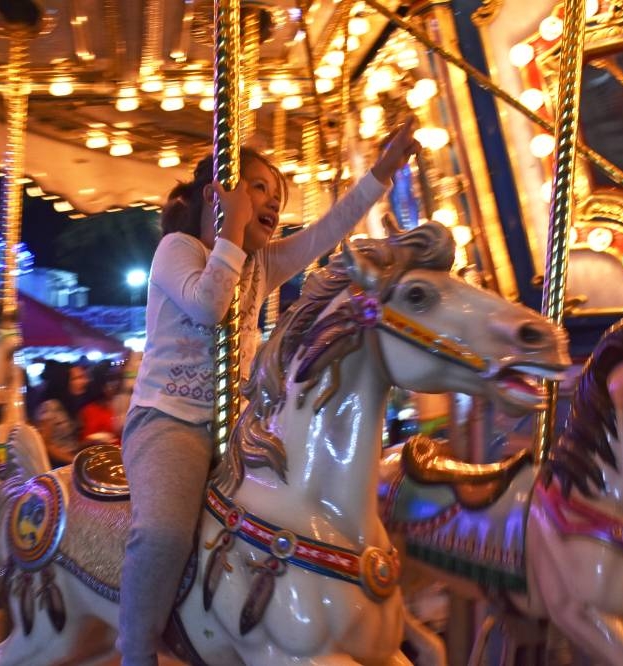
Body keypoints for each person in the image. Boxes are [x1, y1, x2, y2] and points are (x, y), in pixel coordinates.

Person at [117, 116, 422, 664]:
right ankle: (136, 649)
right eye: (258, 187)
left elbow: (330, 230)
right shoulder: (177, 251)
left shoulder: (263, 262)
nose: (274, 202)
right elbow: (210, 305)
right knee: (164, 534)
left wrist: (380, 174)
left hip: (236, 425)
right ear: (219, 193)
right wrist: (230, 231)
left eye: (278, 195)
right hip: (169, 421)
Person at [33, 360, 91, 466]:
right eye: (76, 378)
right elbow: (45, 444)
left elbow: (68, 440)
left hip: (73, 459)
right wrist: (72, 460)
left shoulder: (71, 403)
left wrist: (90, 442)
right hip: (58, 466)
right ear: (63, 381)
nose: (84, 381)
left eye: (83, 377)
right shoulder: (50, 406)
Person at [79, 362, 122, 445]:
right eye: (110, 383)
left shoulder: (122, 405)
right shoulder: (88, 410)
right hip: (99, 453)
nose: (115, 386)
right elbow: (83, 442)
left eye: (117, 381)